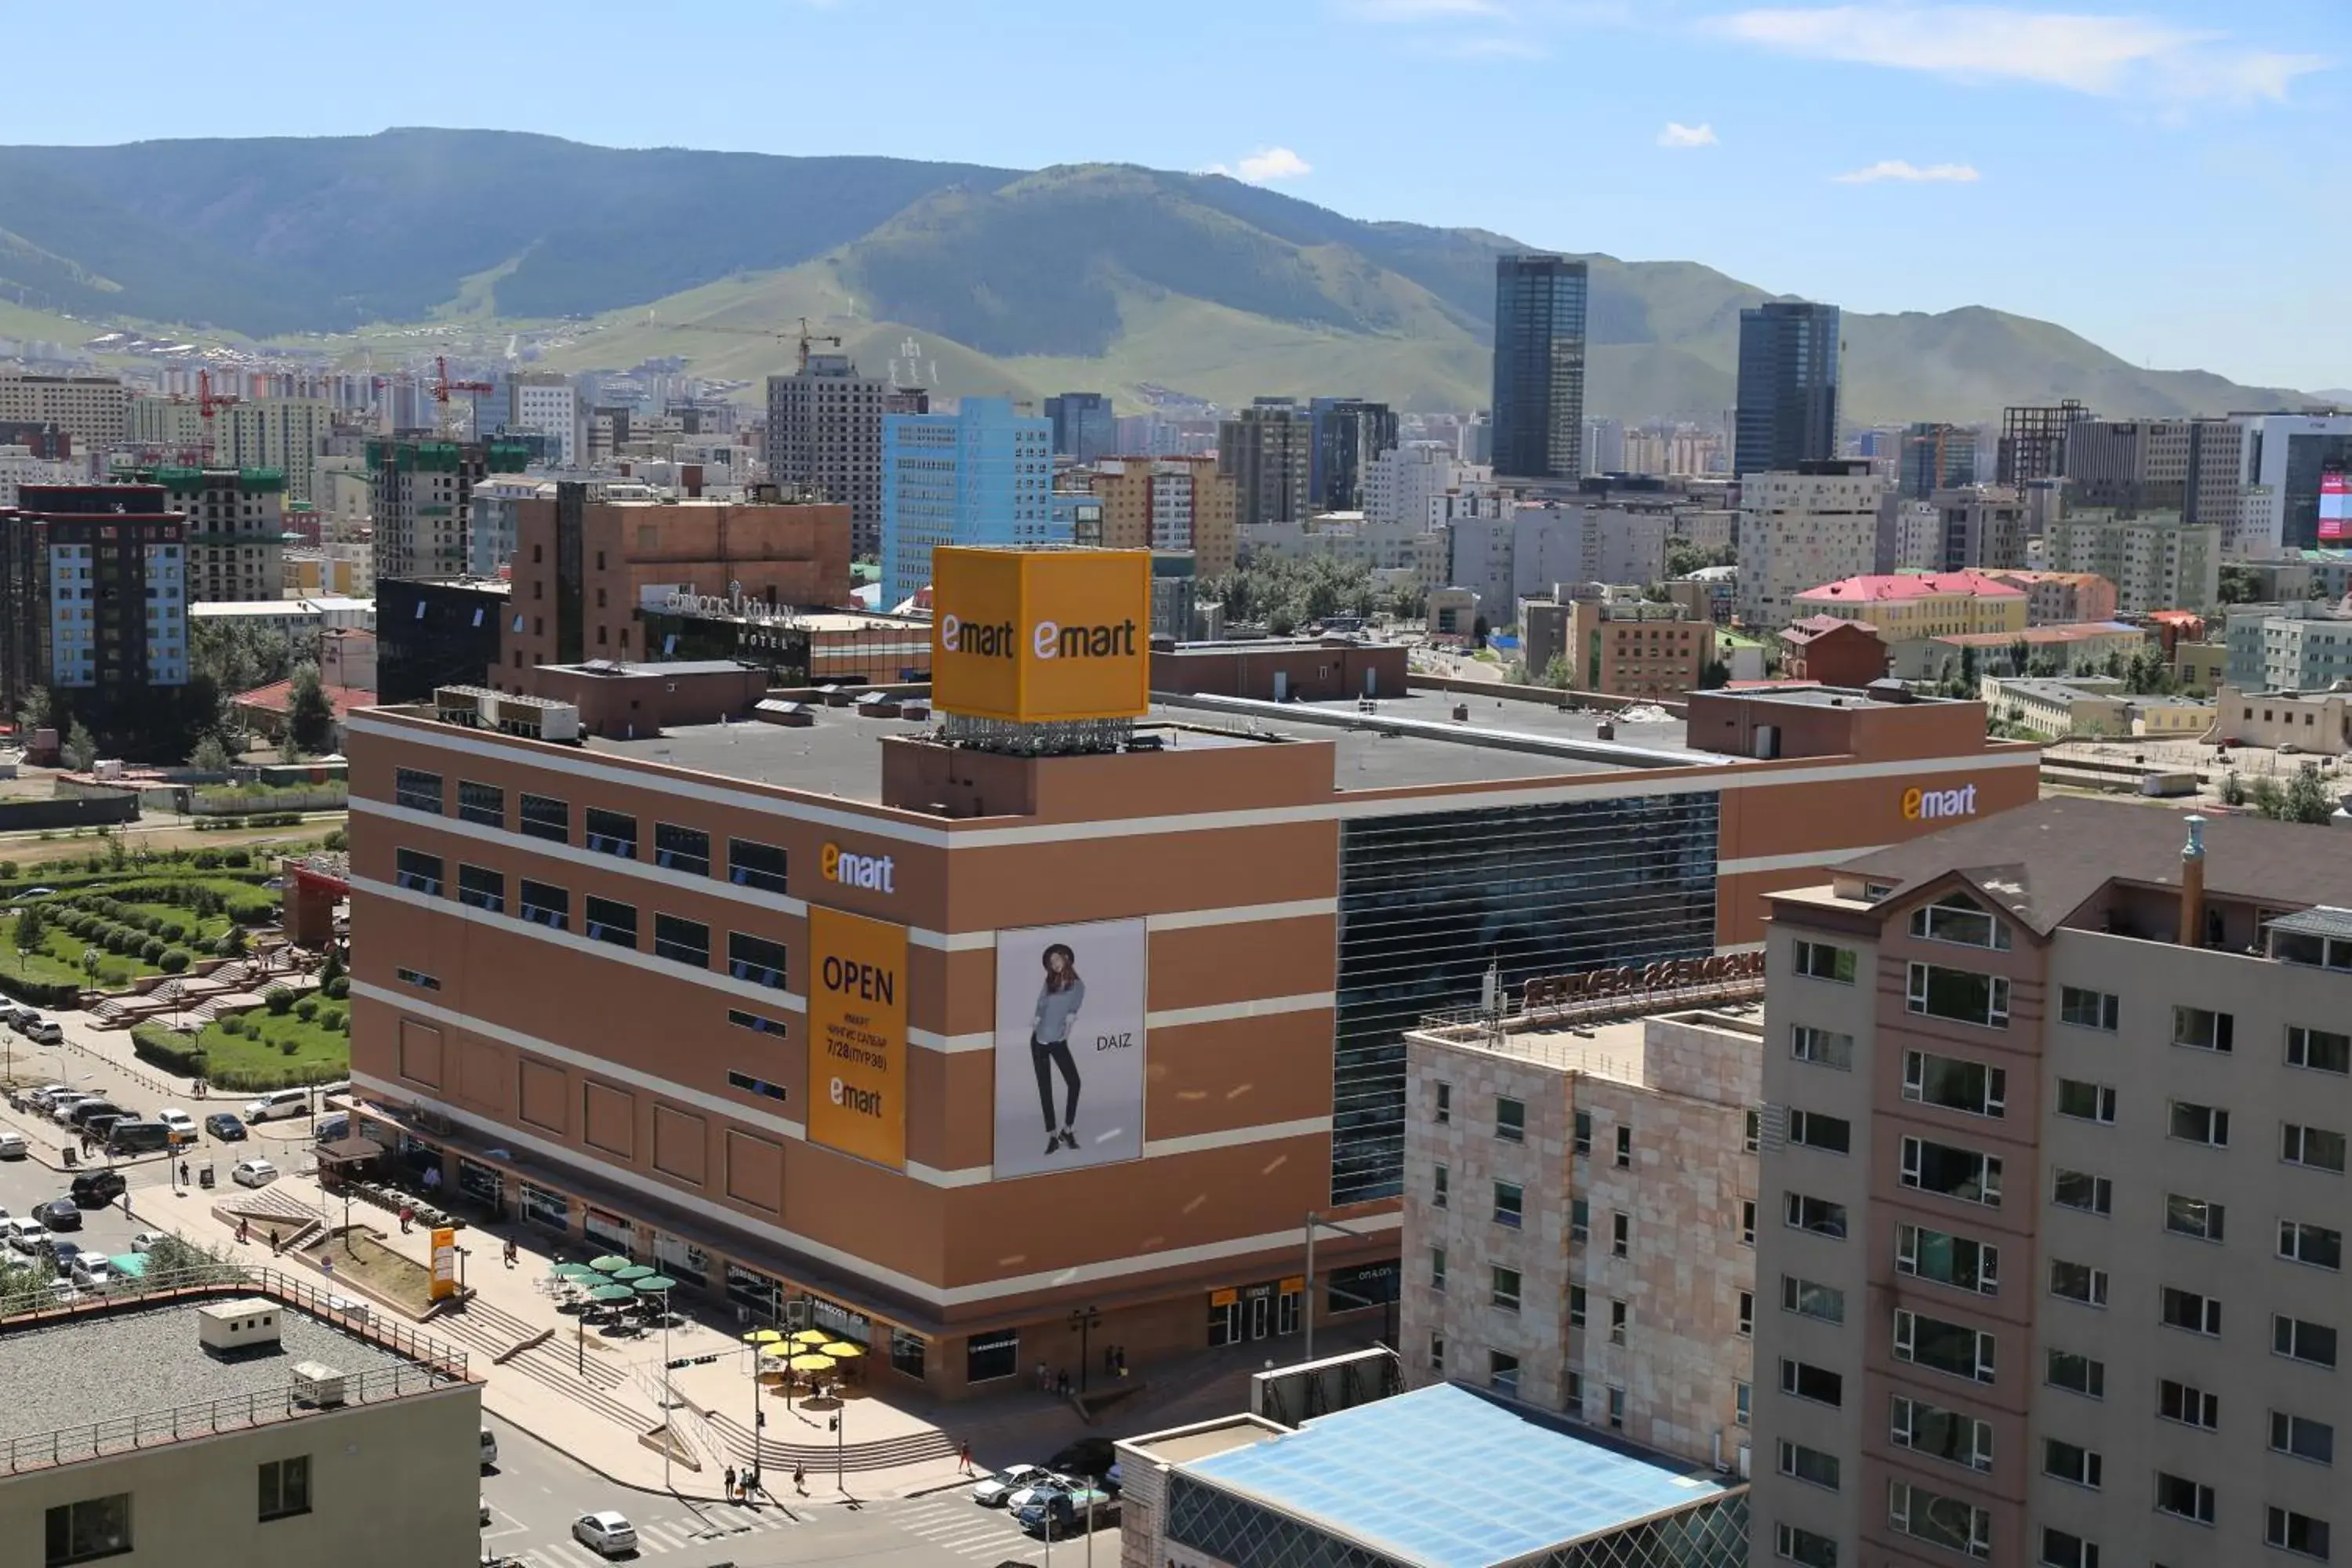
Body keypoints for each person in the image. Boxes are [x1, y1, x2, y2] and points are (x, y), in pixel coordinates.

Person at [1029, 942, 1086, 1156]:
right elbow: (1040, 1005)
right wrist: (1036, 1020)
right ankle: (1053, 1136)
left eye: (1057, 959)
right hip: (1038, 1042)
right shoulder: (1049, 983)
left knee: (1074, 1082)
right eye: (1051, 962)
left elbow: (1072, 1012)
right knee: (1045, 1087)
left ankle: (1067, 1129)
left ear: (1066, 959)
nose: (1054, 964)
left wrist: (1066, 1034)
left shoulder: (1077, 987)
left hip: (1058, 1041)